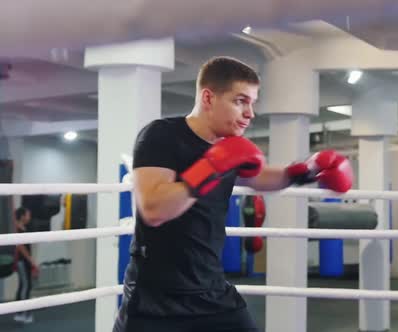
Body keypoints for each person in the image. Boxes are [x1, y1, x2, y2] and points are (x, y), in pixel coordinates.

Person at [113, 56, 354, 332]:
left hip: (211, 289)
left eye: (252, 102)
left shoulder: (229, 147)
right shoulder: (161, 135)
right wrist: (211, 167)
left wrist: (307, 171)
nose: (250, 113)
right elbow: (154, 210)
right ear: (208, 98)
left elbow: (262, 177)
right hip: (156, 297)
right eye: (241, 101)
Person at [13, 206, 38, 324]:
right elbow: (21, 247)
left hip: (24, 261)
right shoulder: (18, 228)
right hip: (22, 261)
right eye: (28, 215)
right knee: (26, 286)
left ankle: (19, 313)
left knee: (23, 285)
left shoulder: (22, 227)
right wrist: (31, 261)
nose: (29, 217)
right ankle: (24, 314)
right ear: (22, 216)